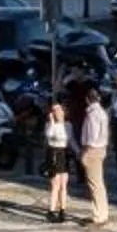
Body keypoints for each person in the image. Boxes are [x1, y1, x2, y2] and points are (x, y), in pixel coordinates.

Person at [76, 82, 113, 228]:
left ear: (87, 99)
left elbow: (91, 137)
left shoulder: (92, 114)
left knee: (94, 184)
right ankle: (102, 212)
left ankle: (99, 216)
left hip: (92, 150)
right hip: (101, 148)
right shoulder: (102, 112)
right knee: (99, 184)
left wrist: (83, 153)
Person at [43, 95, 73, 224]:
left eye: (59, 110)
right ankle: (51, 211)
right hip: (54, 153)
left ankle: (62, 210)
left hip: (63, 153)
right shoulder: (50, 125)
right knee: (55, 184)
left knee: (63, 184)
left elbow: (69, 139)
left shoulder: (68, 125)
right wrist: (54, 123)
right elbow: (50, 136)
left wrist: (78, 152)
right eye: (54, 111)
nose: (57, 112)